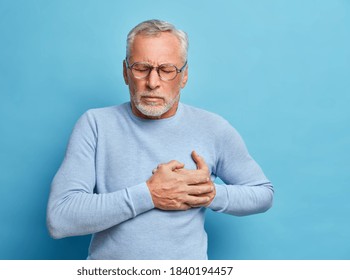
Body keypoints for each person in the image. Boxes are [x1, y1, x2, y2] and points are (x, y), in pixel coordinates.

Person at [46, 19, 274, 260]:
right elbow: (60, 218)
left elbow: (263, 194)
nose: (153, 83)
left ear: (184, 76)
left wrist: (209, 194)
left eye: (166, 70)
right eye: (141, 68)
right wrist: (149, 194)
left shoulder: (214, 128)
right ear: (125, 72)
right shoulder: (95, 124)